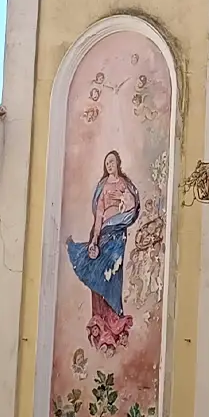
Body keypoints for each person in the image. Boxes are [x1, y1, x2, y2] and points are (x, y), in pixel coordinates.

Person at [68, 150, 140, 352]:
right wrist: (94, 238)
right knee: (98, 273)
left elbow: (132, 206)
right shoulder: (102, 187)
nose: (109, 164)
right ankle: (101, 322)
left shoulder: (124, 184)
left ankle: (115, 320)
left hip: (118, 236)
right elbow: (99, 215)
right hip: (105, 232)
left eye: (112, 161)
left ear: (118, 163)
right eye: (107, 162)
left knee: (113, 275)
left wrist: (123, 201)